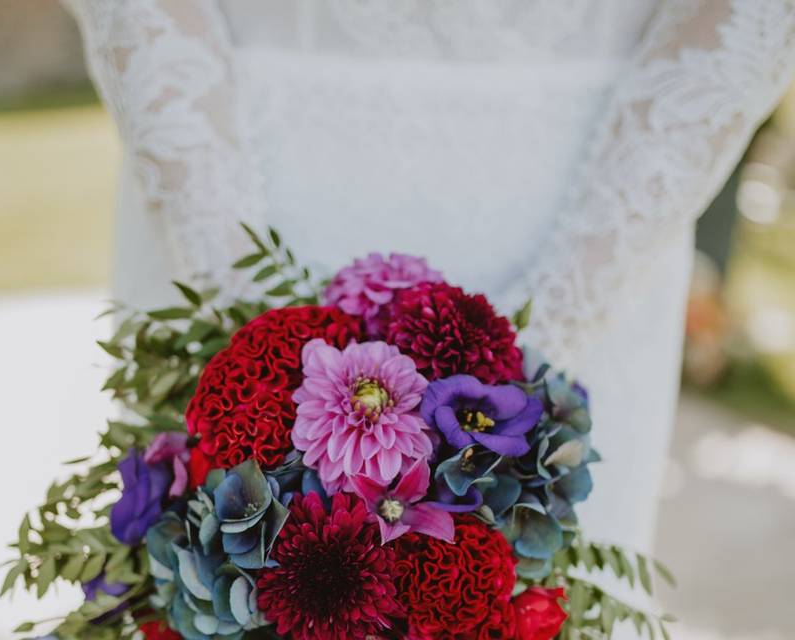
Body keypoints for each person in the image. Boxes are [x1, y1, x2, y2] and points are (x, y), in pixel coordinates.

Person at [64, 0, 795, 632]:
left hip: (600, 216)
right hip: (218, 176)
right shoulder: (222, 259)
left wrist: (545, 334)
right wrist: (239, 311)